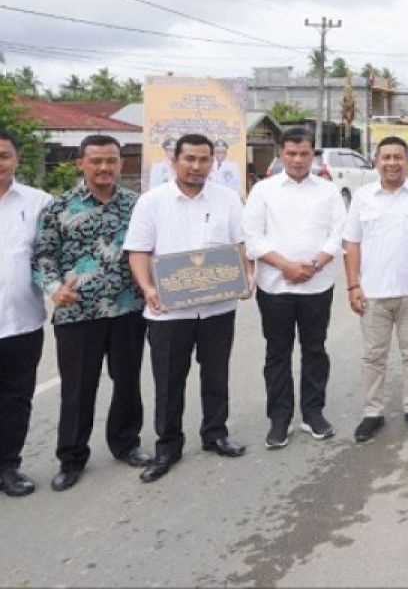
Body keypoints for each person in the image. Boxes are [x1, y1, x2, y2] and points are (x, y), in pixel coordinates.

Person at [124, 133, 252, 483]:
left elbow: (241, 244)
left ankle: (215, 434)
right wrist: (148, 288)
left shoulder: (227, 199)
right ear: (174, 161)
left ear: (213, 162)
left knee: (216, 374)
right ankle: (168, 446)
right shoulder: (151, 202)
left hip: (217, 308)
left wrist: (247, 277)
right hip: (169, 311)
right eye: (189, 159)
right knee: (168, 381)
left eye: (204, 160)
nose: (197, 166)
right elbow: (138, 251)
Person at [32, 134, 150, 492]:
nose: (104, 168)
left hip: (129, 309)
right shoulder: (59, 208)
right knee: (78, 389)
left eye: (111, 161)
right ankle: (71, 458)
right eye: (96, 161)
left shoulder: (137, 205)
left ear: (121, 163)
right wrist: (54, 289)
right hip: (77, 315)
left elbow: (152, 250)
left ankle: (126, 443)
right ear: (80, 163)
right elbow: (42, 257)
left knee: (128, 381)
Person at [243, 127, 346, 448]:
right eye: (291, 153)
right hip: (275, 287)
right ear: (280, 154)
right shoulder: (263, 191)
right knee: (277, 353)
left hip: (318, 285)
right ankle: (279, 418)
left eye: (304, 153)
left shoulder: (328, 191)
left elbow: (338, 234)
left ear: (312, 154)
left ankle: (313, 413)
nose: (298, 159)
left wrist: (313, 264)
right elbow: (252, 238)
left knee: (315, 350)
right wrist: (286, 266)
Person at [343, 136, 408, 442]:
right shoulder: (362, 197)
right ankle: (373, 413)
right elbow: (352, 243)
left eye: (399, 157)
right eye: (386, 157)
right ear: (376, 161)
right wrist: (353, 285)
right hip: (373, 293)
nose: (392, 163)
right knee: (374, 356)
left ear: (407, 161)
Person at [0, 130, 51, 497]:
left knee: (17, 399)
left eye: (3, 155)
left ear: (16, 159)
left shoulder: (39, 203)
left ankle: (8, 466)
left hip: (22, 322)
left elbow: (50, 259)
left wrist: (57, 290)